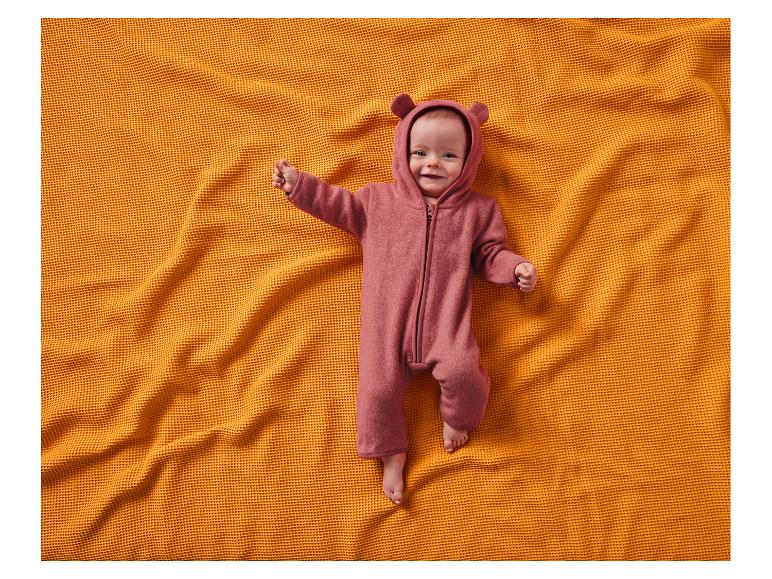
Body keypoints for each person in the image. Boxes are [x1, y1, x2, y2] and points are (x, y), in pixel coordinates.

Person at [271, 93, 537, 505]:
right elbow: (338, 205)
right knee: (376, 392)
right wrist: (300, 186)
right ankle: (391, 452)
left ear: (469, 162)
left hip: (447, 326)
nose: (433, 163)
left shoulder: (478, 211)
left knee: (465, 372)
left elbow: (490, 255)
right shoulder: (377, 202)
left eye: (449, 155)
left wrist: (515, 268)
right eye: (420, 152)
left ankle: (457, 417)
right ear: (402, 152)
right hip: (386, 328)